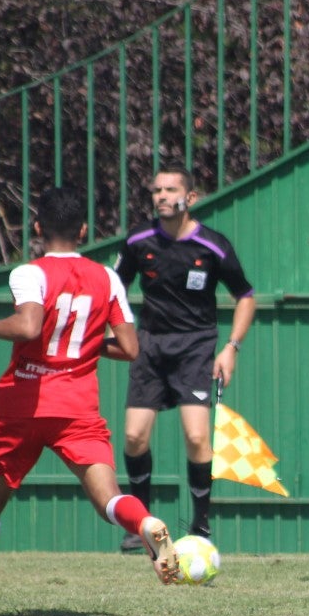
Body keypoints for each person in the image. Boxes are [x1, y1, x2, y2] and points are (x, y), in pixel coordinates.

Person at [0, 187, 181, 616]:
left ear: (37, 228)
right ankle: (143, 523)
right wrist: (87, 347)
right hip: (77, 405)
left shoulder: (28, 273)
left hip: (22, 406)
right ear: (84, 230)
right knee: (109, 499)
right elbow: (129, 348)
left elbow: (29, 326)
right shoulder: (106, 277)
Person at [114, 164, 255, 550]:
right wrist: (122, 334)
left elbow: (245, 295)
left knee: (196, 436)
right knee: (133, 436)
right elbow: (116, 288)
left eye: (170, 189)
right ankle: (139, 524)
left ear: (190, 198)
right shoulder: (138, 240)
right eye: (156, 189)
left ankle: (201, 526)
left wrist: (231, 347)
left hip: (195, 347)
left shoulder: (213, 245)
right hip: (150, 347)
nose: (160, 196)